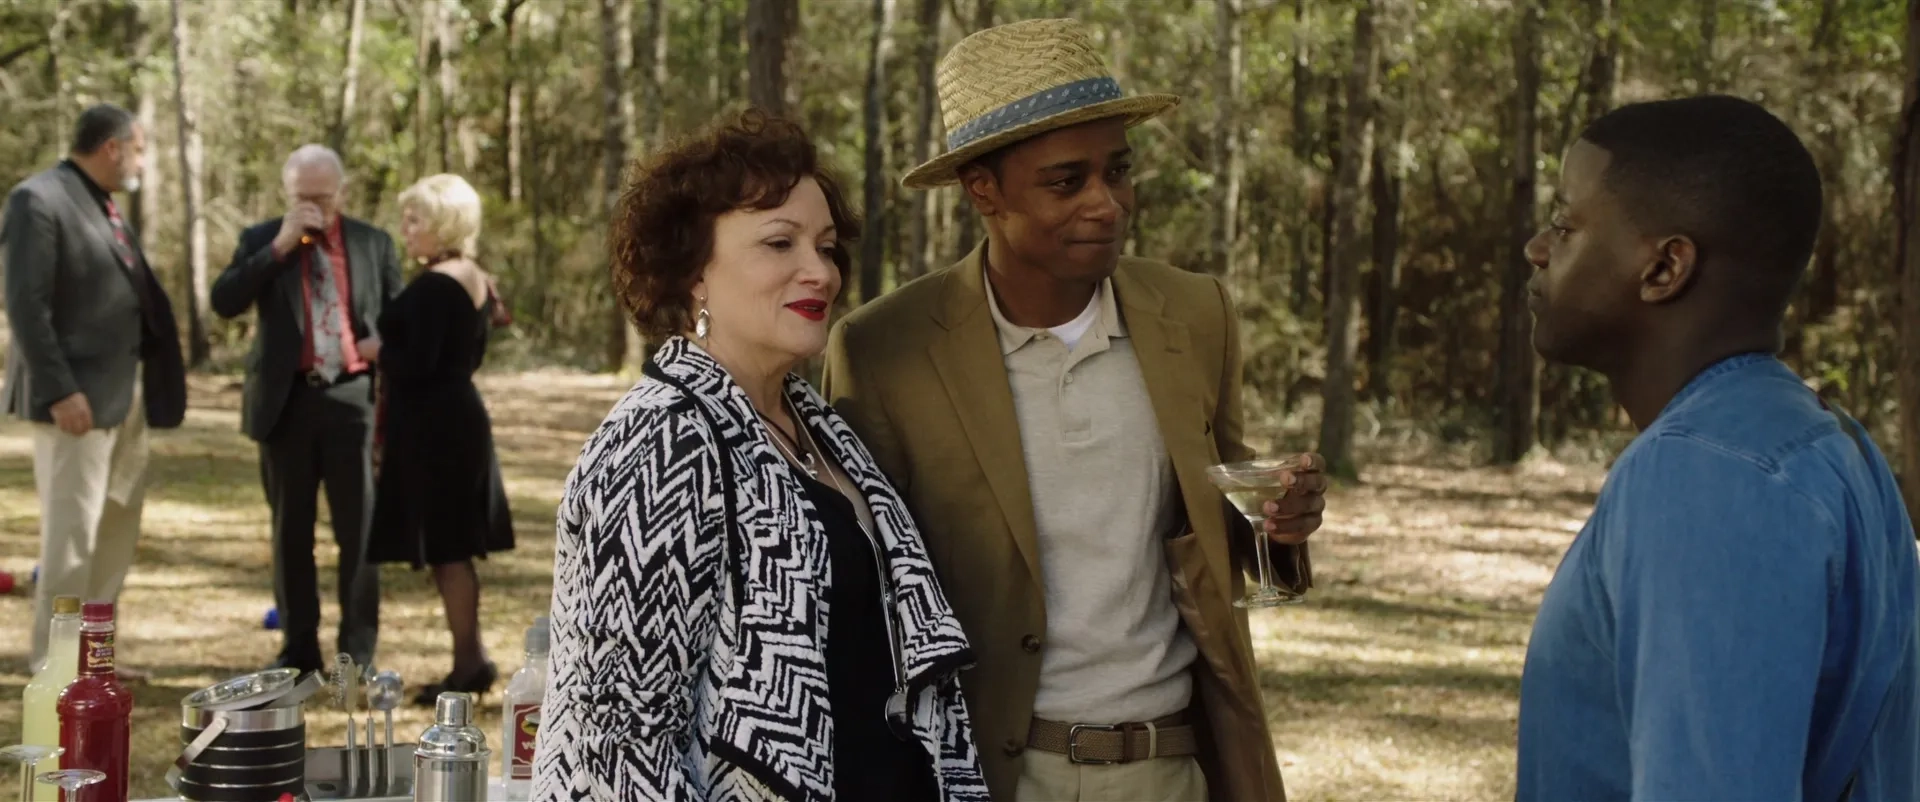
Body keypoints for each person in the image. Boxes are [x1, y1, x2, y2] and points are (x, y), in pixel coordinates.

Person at [821, 18, 1327, 802]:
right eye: (1067, 181)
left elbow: (1217, 532)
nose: (1108, 203)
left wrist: (1279, 528)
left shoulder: (1193, 316)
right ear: (982, 190)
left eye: (1118, 171)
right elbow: (864, 593)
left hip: (1171, 767)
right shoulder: (885, 352)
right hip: (988, 775)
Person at [531, 110, 989, 801]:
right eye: (780, 243)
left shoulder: (816, 427)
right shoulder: (663, 442)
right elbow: (617, 745)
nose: (821, 272)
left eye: (827, 246)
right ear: (694, 276)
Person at [1514, 95, 1920, 800]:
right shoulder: (1825, 442)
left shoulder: (1706, 472)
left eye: (1564, 224)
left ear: (1665, 269)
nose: (1537, 250)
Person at [5, 103, 186, 678]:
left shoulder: (105, 205)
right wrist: (59, 390)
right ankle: (54, 666)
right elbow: (25, 306)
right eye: (139, 149)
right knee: (71, 540)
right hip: (73, 403)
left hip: (123, 396)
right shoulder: (38, 199)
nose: (142, 161)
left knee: (114, 535)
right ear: (113, 146)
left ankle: (95, 662)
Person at [211, 144, 403, 675]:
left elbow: (397, 317)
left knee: (359, 533)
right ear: (287, 194)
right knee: (290, 532)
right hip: (286, 403)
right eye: (302, 198)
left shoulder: (373, 243)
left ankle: (357, 652)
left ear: (340, 192)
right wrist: (276, 248)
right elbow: (223, 301)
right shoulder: (261, 240)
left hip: (351, 398)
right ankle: (299, 649)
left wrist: (382, 345)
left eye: (322, 197)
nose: (314, 208)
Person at [359, 173, 514, 705]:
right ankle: (469, 659)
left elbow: (417, 362)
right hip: (451, 419)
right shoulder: (471, 275)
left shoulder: (436, 283)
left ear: (444, 224)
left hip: (437, 428)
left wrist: (376, 351)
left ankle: (469, 664)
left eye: (416, 219)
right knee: (454, 550)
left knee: (450, 550)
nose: (406, 229)